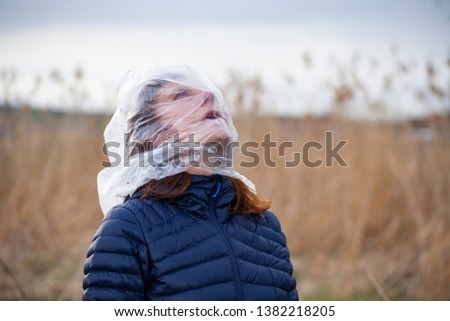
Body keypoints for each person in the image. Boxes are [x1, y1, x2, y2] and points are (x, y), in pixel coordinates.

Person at [82, 62, 299, 300]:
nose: (209, 95)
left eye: (206, 91)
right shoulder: (129, 227)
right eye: (181, 95)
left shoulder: (265, 225)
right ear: (152, 132)